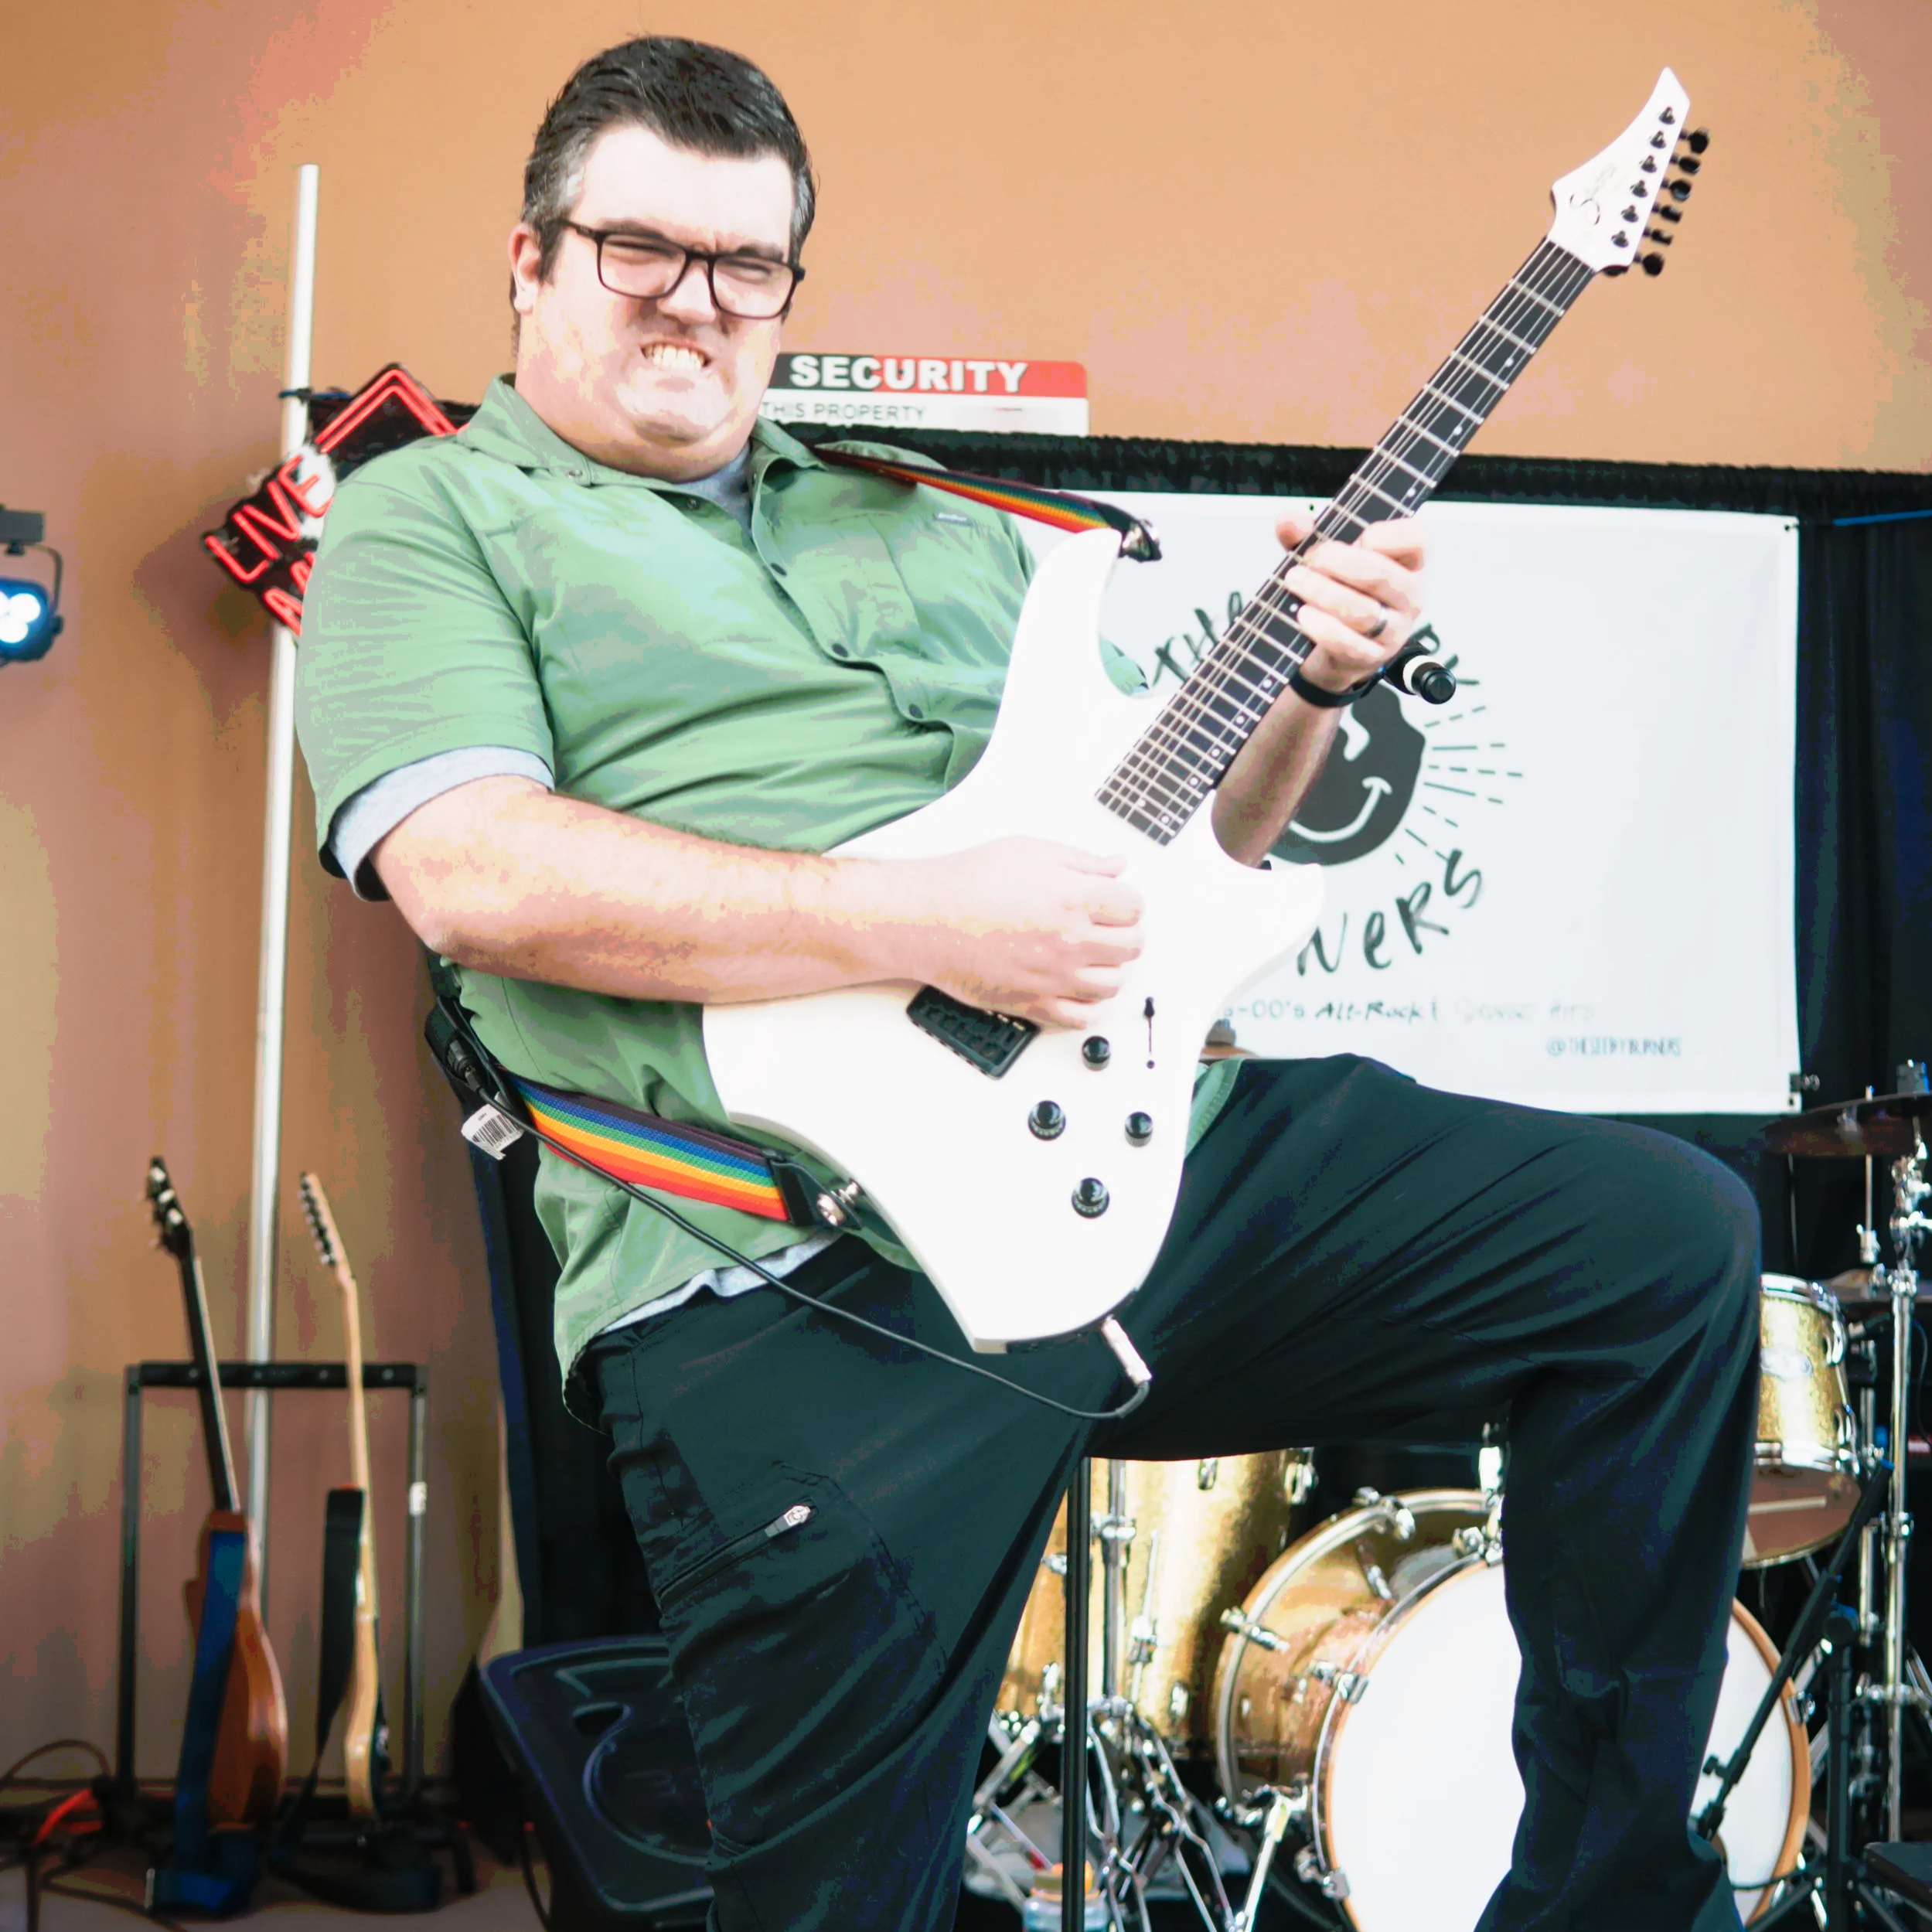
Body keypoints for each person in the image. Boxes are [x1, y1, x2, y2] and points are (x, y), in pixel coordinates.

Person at [294, 36, 1760, 1932]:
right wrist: (918, 924)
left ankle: (1613, 1905)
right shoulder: (429, 521)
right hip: (788, 1268)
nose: (695, 303)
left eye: (747, 265)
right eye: (638, 248)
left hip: (1153, 1154)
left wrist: (1307, 682)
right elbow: (470, 874)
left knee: (1656, 1246)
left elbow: (1190, 857)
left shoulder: (949, 524)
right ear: (530, 259)